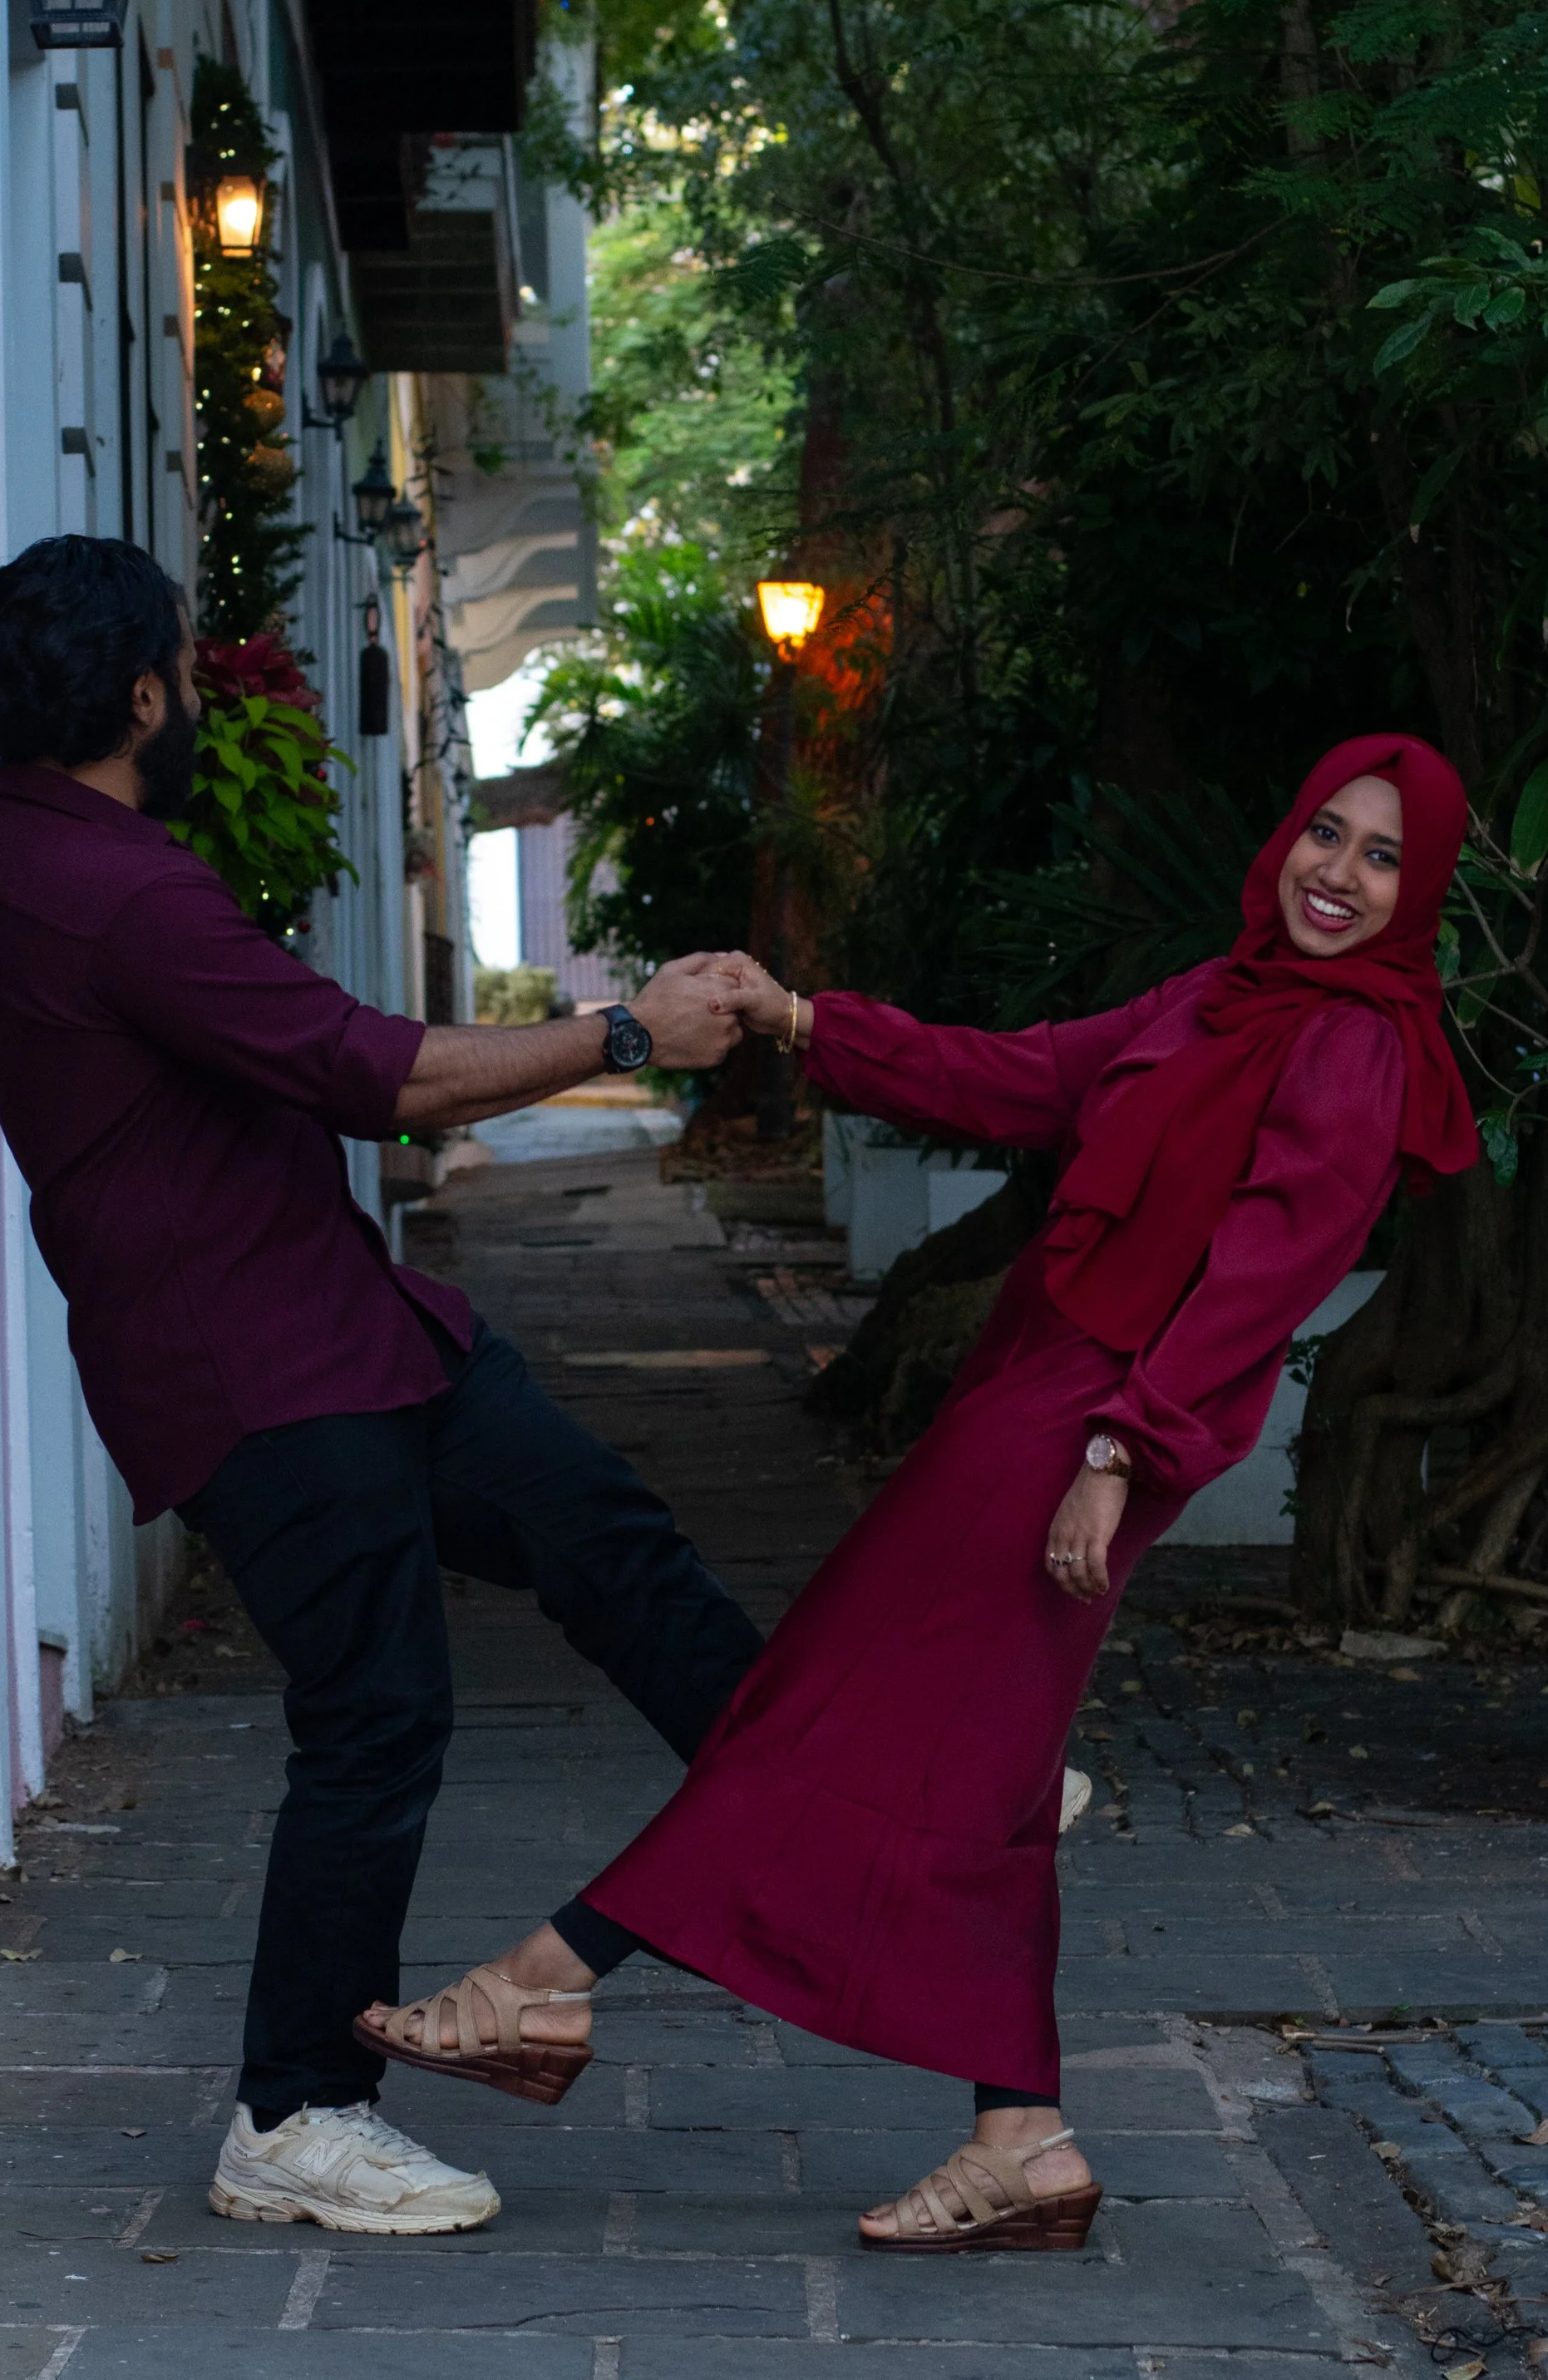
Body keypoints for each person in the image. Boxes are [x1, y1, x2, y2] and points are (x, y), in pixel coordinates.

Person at [359, 733, 1479, 2249]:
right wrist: (802, 1018)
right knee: (992, 1774)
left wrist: (1119, 1456)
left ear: (1422, 894)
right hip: (1043, 1385)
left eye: (1382, 858)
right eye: (1325, 832)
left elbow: (1260, 1277)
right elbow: (1019, 1076)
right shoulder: (1222, 997)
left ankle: (545, 1985)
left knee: (824, 1700)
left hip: (1091, 1420)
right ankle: (1022, 2137)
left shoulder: (1356, 1046)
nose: (1337, 874)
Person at [0, 536, 765, 2239]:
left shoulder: (27, 857)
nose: (205, 684)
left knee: (594, 1525)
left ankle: (828, 1792)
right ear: (143, 693)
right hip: (254, 1373)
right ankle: (298, 2112)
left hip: (350, 1331)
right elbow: (379, 1079)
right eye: (189, 659)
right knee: (377, 1716)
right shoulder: (105, 888)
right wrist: (624, 1035)